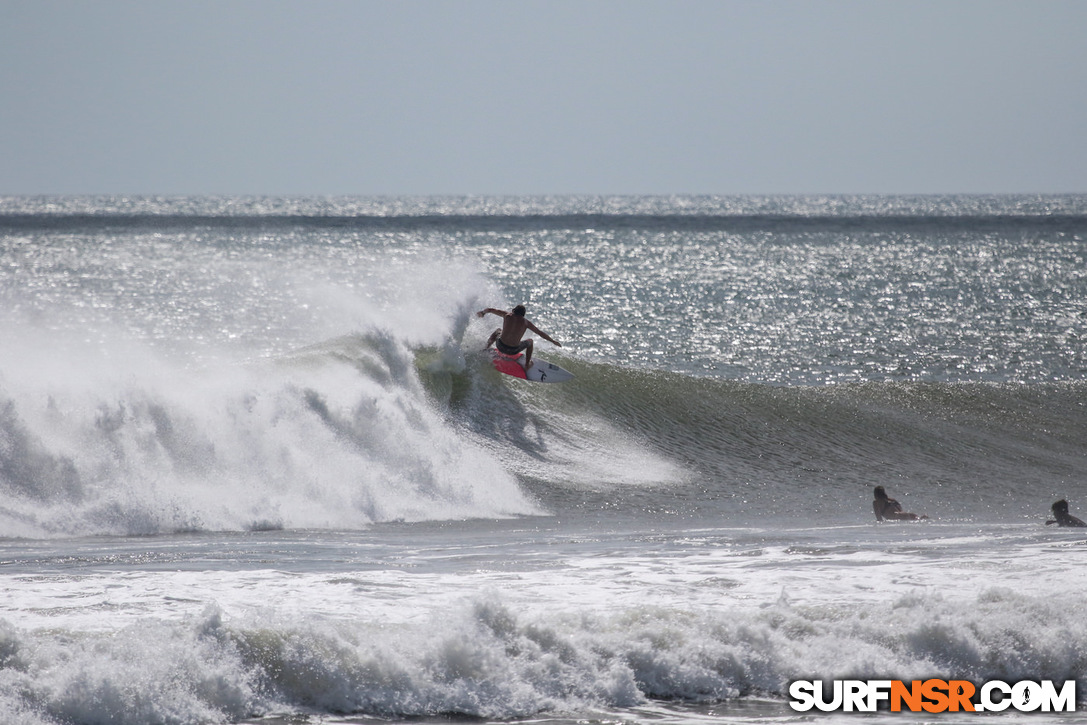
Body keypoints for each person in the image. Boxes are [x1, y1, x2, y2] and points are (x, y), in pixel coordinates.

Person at [477, 304, 561, 371]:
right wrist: (553, 341)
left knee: (498, 330)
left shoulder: (506, 315)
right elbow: (540, 333)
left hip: (500, 346)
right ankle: (527, 365)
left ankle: (485, 348)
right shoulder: (526, 322)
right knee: (530, 341)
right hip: (513, 350)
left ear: (513, 310)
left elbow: (491, 310)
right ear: (523, 315)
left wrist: (482, 313)